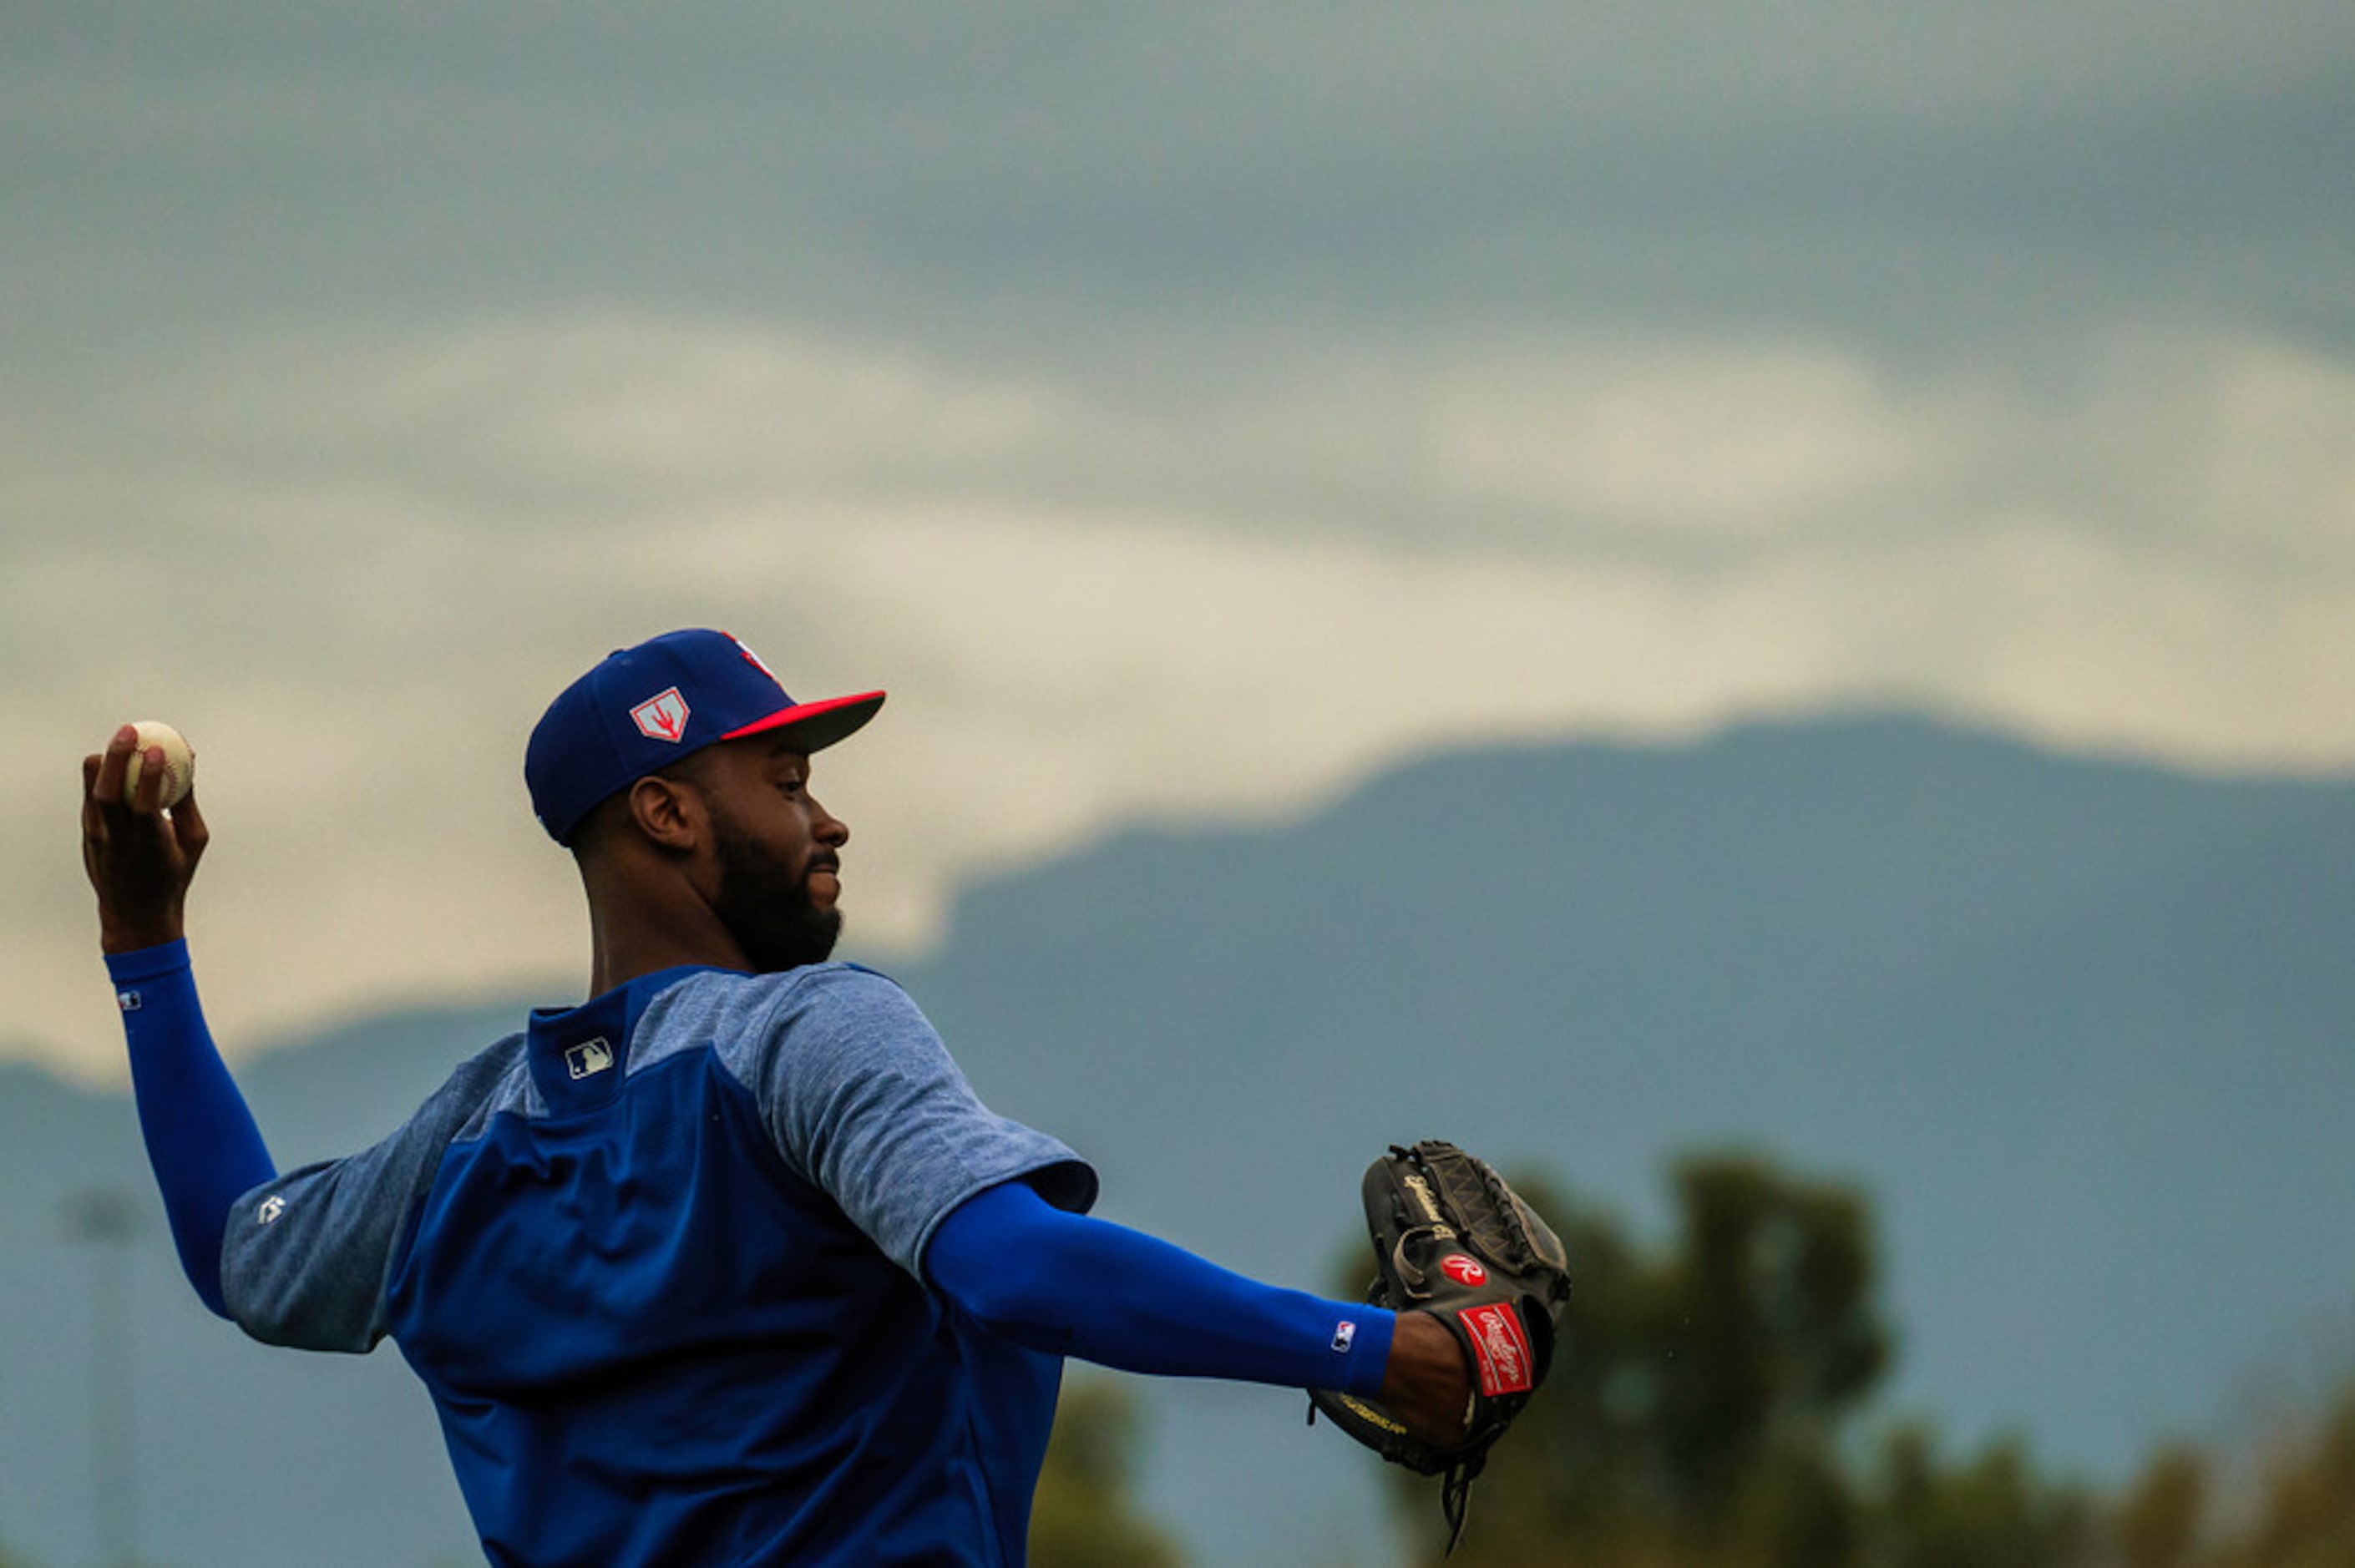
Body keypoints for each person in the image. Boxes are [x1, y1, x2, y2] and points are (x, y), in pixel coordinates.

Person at [80, 627, 1472, 1566]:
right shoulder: (807, 1032)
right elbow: (1005, 1263)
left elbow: (237, 1253)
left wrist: (145, 949)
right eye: (789, 779)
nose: (831, 817)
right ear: (669, 814)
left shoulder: (461, 1141)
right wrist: (1379, 1350)